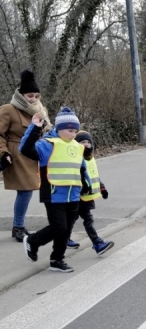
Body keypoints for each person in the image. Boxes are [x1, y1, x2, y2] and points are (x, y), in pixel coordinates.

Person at [20, 107, 87, 273]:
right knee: (59, 227)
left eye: (76, 131)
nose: (73, 134)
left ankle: (57, 259)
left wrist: (86, 186)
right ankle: (33, 241)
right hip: (53, 194)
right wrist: (34, 128)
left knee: (66, 230)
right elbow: (26, 149)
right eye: (70, 130)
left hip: (73, 195)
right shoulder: (47, 145)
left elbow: (80, 169)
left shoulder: (77, 147)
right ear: (59, 128)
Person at [0, 69, 52, 241]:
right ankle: (18, 227)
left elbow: (46, 133)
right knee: (25, 191)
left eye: (37, 96)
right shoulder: (8, 109)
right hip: (17, 154)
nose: (34, 99)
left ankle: (20, 226)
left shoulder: (40, 112)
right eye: (30, 96)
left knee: (29, 191)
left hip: (35, 154)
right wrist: (3, 153)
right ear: (22, 95)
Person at [68, 131, 115, 255]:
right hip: (79, 196)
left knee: (71, 219)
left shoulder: (91, 159)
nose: (86, 144)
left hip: (87, 196)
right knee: (86, 219)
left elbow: (95, 177)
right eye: (83, 142)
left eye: (88, 142)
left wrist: (102, 188)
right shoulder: (76, 159)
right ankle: (97, 243)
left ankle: (64, 239)